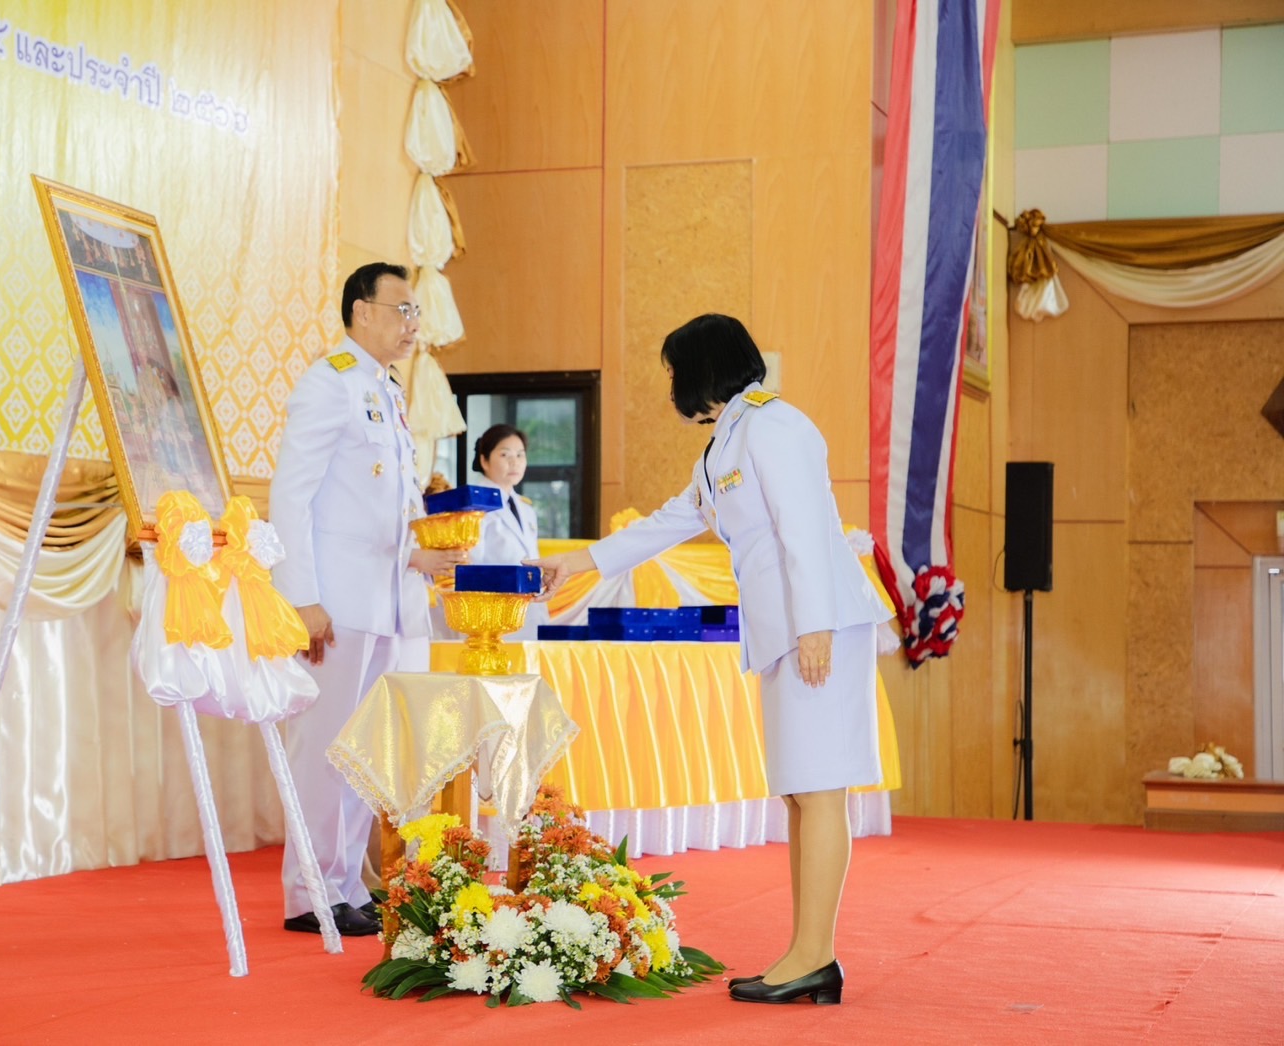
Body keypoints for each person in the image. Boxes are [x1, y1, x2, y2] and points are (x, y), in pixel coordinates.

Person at [532, 314, 889, 1006]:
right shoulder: (724, 444)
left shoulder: (773, 425)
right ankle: (808, 954)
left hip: (819, 628)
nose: (671, 385)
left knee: (819, 791)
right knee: (800, 792)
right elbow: (673, 520)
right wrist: (580, 561)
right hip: (789, 633)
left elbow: (807, 532)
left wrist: (814, 626)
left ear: (704, 366)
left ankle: (814, 958)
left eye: (674, 371)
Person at [269, 262, 466, 937]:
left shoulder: (385, 389)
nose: (414, 323)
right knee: (325, 746)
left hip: (392, 602)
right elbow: (292, 496)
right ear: (362, 312)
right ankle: (307, 890)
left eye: (416, 312)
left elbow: (379, 506)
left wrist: (418, 555)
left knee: (369, 749)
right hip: (341, 604)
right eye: (403, 309)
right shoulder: (331, 384)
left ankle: (347, 879)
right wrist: (302, 596)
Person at [467, 423, 550, 639]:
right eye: (505, 455)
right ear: (484, 460)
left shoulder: (526, 508)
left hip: (529, 610)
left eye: (520, 455)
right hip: (492, 614)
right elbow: (470, 564)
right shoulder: (473, 505)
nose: (515, 462)